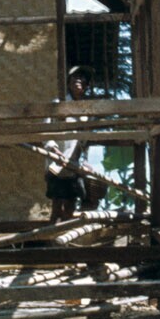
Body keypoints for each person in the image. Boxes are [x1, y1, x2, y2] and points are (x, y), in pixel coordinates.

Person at [44, 65, 94, 223]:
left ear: (86, 86)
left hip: (73, 165)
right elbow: (46, 129)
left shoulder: (87, 111)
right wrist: (53, 149)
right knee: (57, 207)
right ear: (69, 83)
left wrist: (85, 160)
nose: (78, 80)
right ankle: (52, 235)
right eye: (75, 77)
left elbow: (85, 141)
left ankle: (64, 234)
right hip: (57, 163)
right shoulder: (59, 103)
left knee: (70, 207)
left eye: (82, 78)